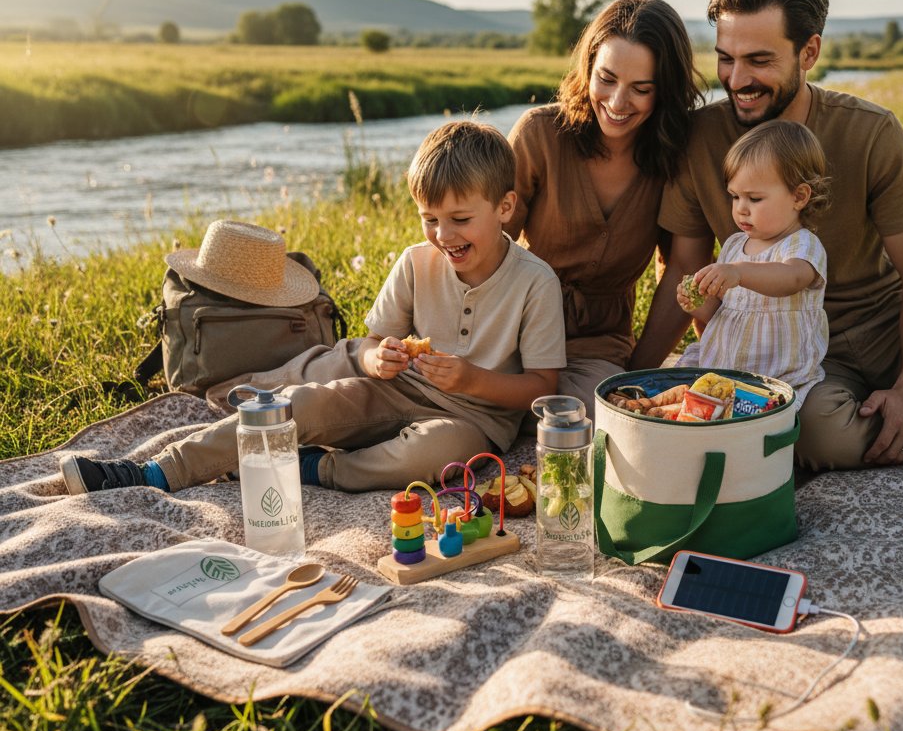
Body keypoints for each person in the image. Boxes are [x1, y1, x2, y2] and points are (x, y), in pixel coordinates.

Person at [632, 0, 903, 468]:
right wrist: (634, 381)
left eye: (759, 59)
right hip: (798, 357)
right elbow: (684, 271)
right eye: (726, 58)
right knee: (819, 439)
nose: (737, 79)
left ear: (809, 51)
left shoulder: (870, 132)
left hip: (890, 326)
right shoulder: (697, 140)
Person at [61, 120, 566, 495]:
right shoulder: (417, 262)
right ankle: (154, 472)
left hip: (474, 421)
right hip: (396, 390)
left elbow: (542, 390)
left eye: (459, 219)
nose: (442, 235)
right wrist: (374, 359)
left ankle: (312, 468)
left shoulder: (535, 282)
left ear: (504, 208)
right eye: (429, 219)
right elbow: (372, 342)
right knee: (300, 405)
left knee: (426, 455)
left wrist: (470, 380)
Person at [507, 0, 704, 415]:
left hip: (597, 351)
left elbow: (683, 268)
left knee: (603, 411)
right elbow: (486, 240)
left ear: (664, 91)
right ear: (588, 68)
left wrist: (636, 378)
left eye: (641, 89)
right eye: (607, 78)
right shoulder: (539, 135)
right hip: (512, 332)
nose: (616, 103)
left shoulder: (677, 157)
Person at [675, 119, 829, 409]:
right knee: (684, 394)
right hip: (724, 372)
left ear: (799, 196)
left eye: (754, 198)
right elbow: (725, 314)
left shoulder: (802, 246)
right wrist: (698, 304)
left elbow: (791, 278)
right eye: (735, 196)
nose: (741, 208)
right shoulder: (734, 246)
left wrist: (738, 273)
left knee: (757, 430)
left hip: (778, 380)